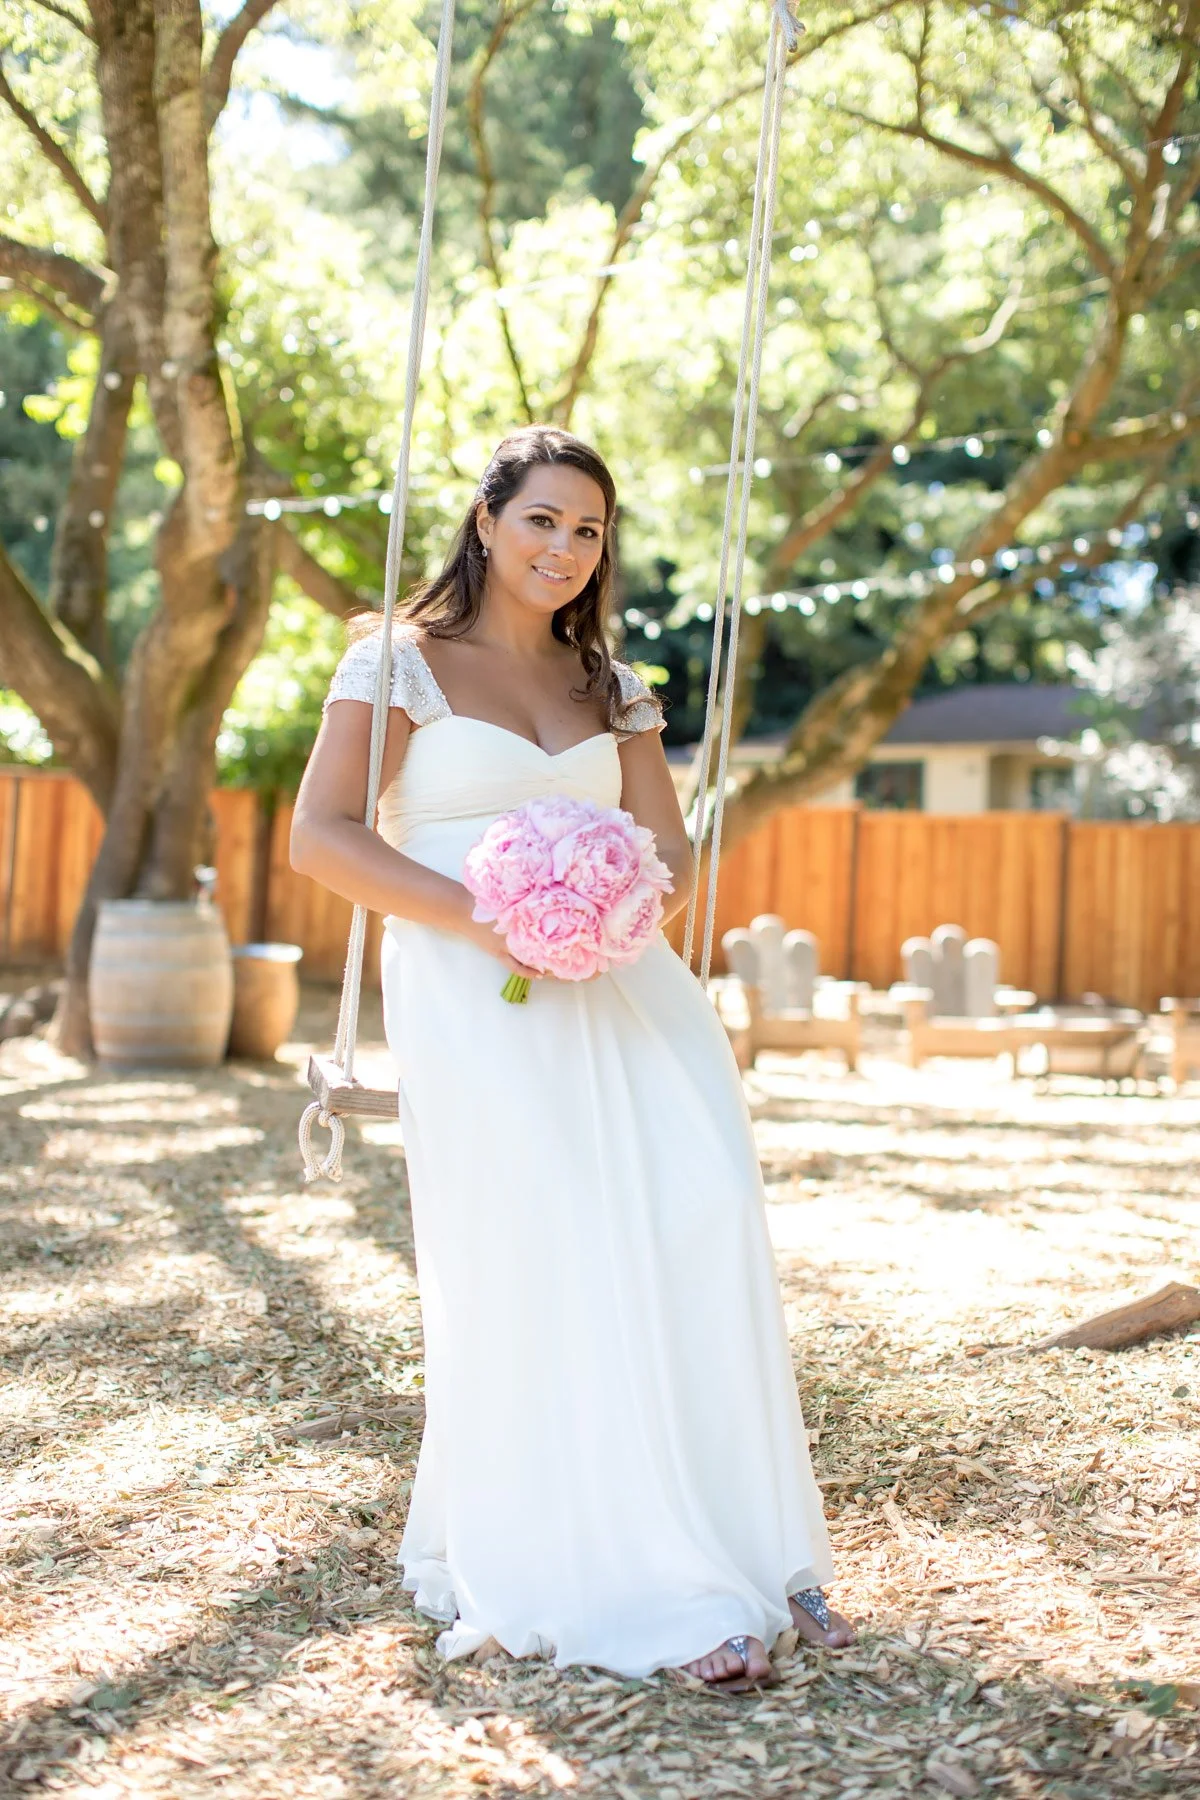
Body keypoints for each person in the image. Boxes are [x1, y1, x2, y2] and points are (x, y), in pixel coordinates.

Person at [290, 424, 854, 1692]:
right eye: (542, 518)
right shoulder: (402, 663)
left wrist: (605, 904)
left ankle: (756, 1550)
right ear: (487, 521)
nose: (564, 547)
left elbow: (668, 854)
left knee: (700, 1216)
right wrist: (498, 917)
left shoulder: (612, 686)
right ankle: (621, 1577)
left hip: (624, 988)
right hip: (471, 987)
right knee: (549, 1253)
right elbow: (322, 839)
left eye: (588, 529)